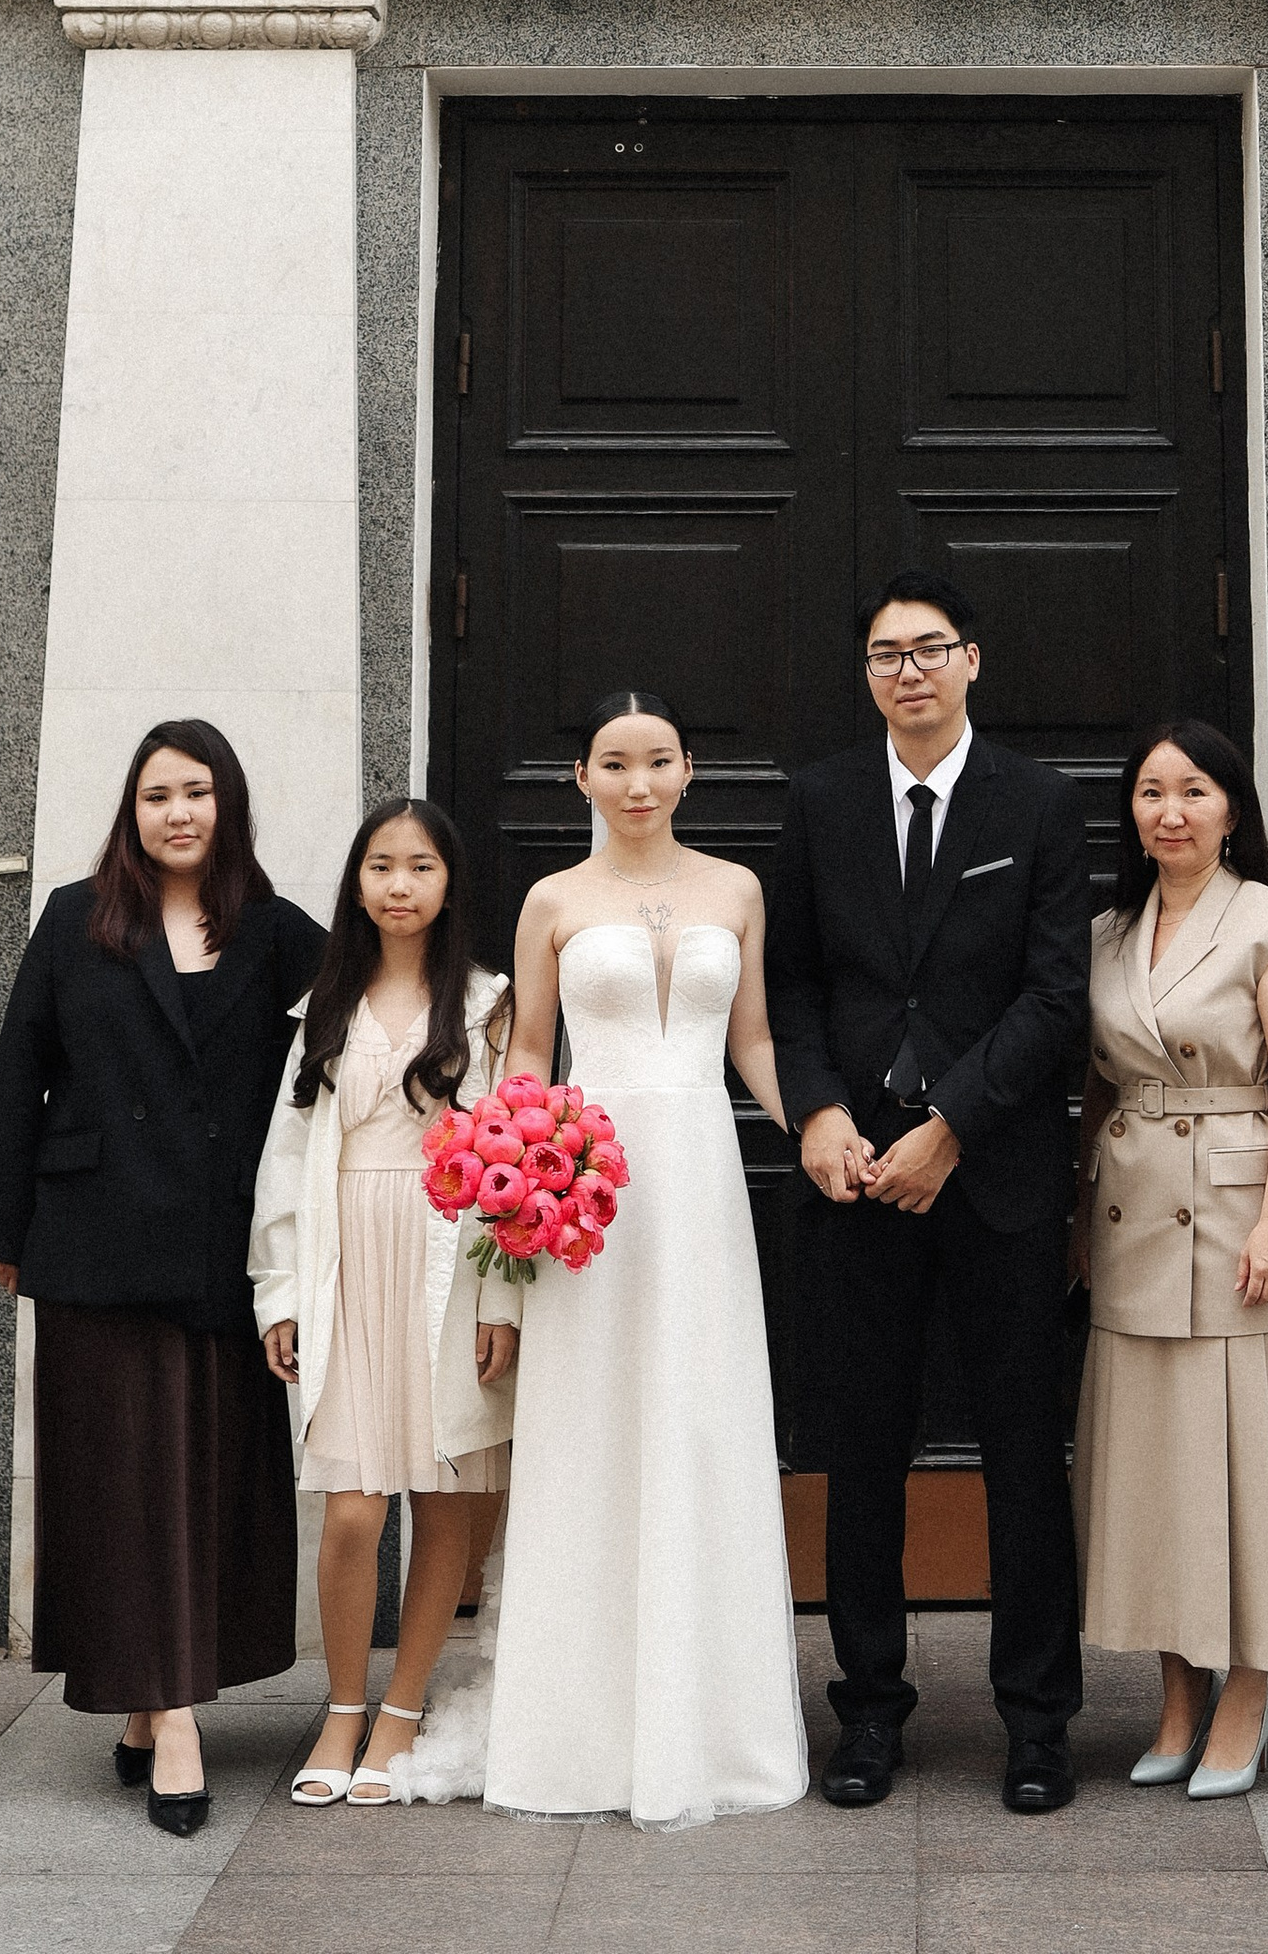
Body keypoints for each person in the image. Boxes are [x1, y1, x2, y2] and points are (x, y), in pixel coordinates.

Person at [0, 719, 324, 1835]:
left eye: (199, 792)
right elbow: (20, 1066)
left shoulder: (273, 929)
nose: (178, 812)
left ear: (228, 806)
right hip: (97, 1247)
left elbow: (378, 1008)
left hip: (222, 1249)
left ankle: (148, 1694)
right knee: (122, 1490)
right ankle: (171, 1721)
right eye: (158, 794)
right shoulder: (77, 917)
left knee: (201, 1487)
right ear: (132, 808)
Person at [766, 573, 1092, 1815]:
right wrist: (821, 1112)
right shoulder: (822, 800)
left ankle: (1037, 1719)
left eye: (929, 649)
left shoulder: (1042, 805)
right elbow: (789, 983)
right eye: (885, 653)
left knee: (1020, 1451)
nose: (908, 670)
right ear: (866, 675)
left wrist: (951, 1124)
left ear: (971, 662)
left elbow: (1056, 995)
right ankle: (868, 1711)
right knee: (862, 1453)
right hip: (852, 1180)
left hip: (995, 1177)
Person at [478, 689, 806, 1825]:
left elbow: (752, 1037)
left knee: (701, 1417)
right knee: (595, 1426)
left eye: (657, 761)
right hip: (586, 1189)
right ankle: (573, 1739)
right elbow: (529, 1047)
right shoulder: (552, 899)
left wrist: (814, 1128)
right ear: (580, 777)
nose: (637, 783)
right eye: (613, 764)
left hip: (704, 1178)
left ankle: (712, 1728)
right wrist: (509, 1191)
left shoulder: (736, 889)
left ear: (686, 772)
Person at [1072, 720, 1268, 1796]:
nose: (1170, 811)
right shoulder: (1105, 932)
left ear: (1232, 808)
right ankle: (1176, 1690)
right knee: (1151, 1474)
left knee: (1243, 1461)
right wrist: (1073, 1220)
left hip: (1237, 1213)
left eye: (1192, 791)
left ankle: (1247, 1691)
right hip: (1132, 1214)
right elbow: (1097, 1086)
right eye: (1149, 792)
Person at [249, 797, 517, 1806]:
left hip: (449, 1264)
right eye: (380, 866)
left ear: (448, 884)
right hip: (346, 1263)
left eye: (420, 868)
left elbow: (509, 1161)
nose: (399, 885)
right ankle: (344, 1706)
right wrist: (278, 1290)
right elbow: (285, 1156)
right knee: (355, 1510)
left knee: (449, 1497)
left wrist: (503, 1303)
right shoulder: (323, 1002)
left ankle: (402, 1710)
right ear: (357, 882)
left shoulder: (488, 1005)